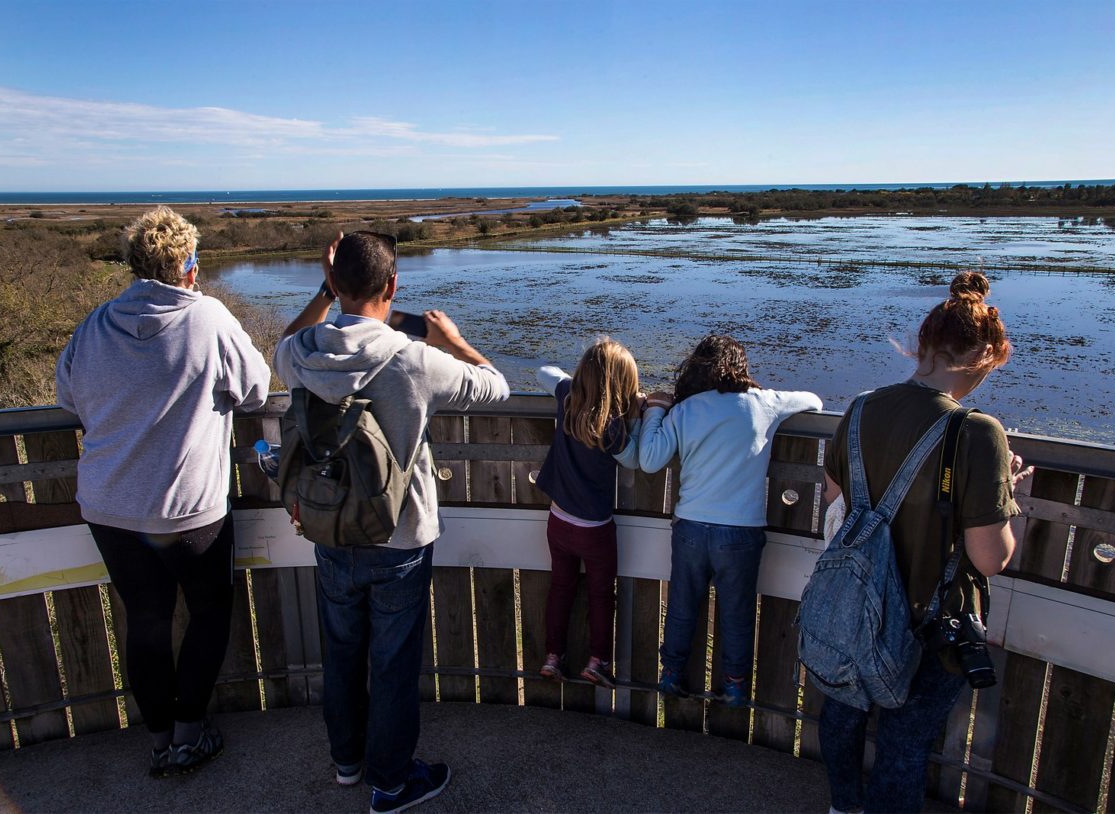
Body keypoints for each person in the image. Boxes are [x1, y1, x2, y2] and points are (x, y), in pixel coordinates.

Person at [273, 231, 509, 814]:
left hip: (329, 530)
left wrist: (323, 294)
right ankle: (392, 781)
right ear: (393, 286)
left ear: (336, 286)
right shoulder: (412, 359)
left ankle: (348, 764)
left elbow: (280, 344)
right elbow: (497, 388)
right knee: (394, 664)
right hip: (398, 537)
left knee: (343, 653)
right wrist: (452, 341)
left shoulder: (303, 351)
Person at [55, 206, 271, 776]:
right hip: (190, 512)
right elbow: (256, 391)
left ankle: (159, 740)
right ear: (189, 266)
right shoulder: (209, 319)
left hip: (111, 507)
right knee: (208, 615)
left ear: (133, 266)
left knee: (145, 621)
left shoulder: (94, 325)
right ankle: (188, 734)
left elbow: (70, 400)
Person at [817, 270, 1033, 814]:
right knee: (903, 745)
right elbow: (991, 557)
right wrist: (1004, 492)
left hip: (854, 604)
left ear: (921, 344)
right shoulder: (978, 432)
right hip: (931, 619)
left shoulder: (862, 407)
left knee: (843, 715)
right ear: (990, 356)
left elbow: (833, 499)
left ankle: (844, 805)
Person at [639, 334, 822, 706]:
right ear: (741, 367)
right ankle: (735, 687)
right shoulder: (764, 402)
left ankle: (671, 676)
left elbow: (650, 460)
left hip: (690, 526)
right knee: (737, 614)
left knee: (681, 607)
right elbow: (815, 402)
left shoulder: (685, 411)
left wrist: (656, 409)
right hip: (740, 533)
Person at [533, 339, 644, 688]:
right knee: (600, 595)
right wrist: (639, 417)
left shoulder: (566, 396)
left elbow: (542, 372)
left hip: (559, 519)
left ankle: (553, 656)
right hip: (594, 529)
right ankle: (597, 661)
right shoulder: (613, 427)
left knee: (561, 588)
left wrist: (572, 381)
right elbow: (634, 459)